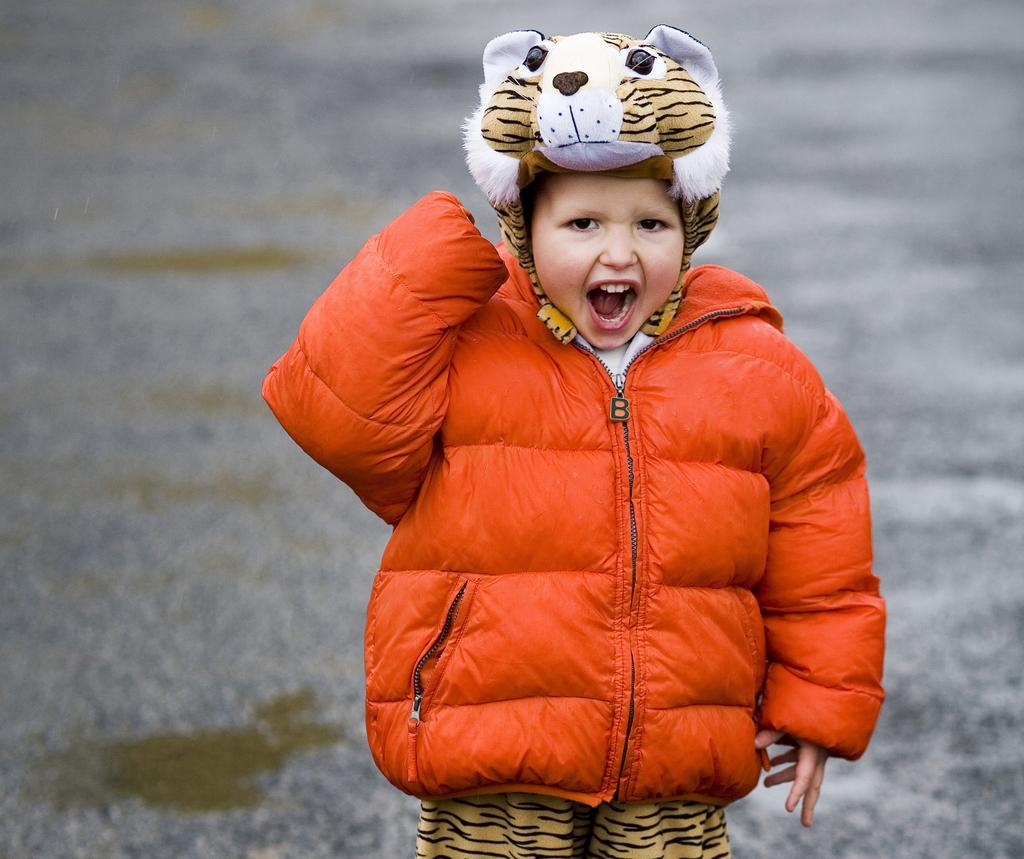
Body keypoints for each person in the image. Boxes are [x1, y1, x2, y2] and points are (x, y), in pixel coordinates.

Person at [262, 25, 886, 859]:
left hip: (673, 757)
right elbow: (334, 413)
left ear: (691, 230)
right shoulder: (470, 341)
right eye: (583, 222)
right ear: (522, 226)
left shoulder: (753, 362)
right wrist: (432, 255)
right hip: (493, 747)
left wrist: (818, 700)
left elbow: (823, 548)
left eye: (651, 225)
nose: (619, 252)